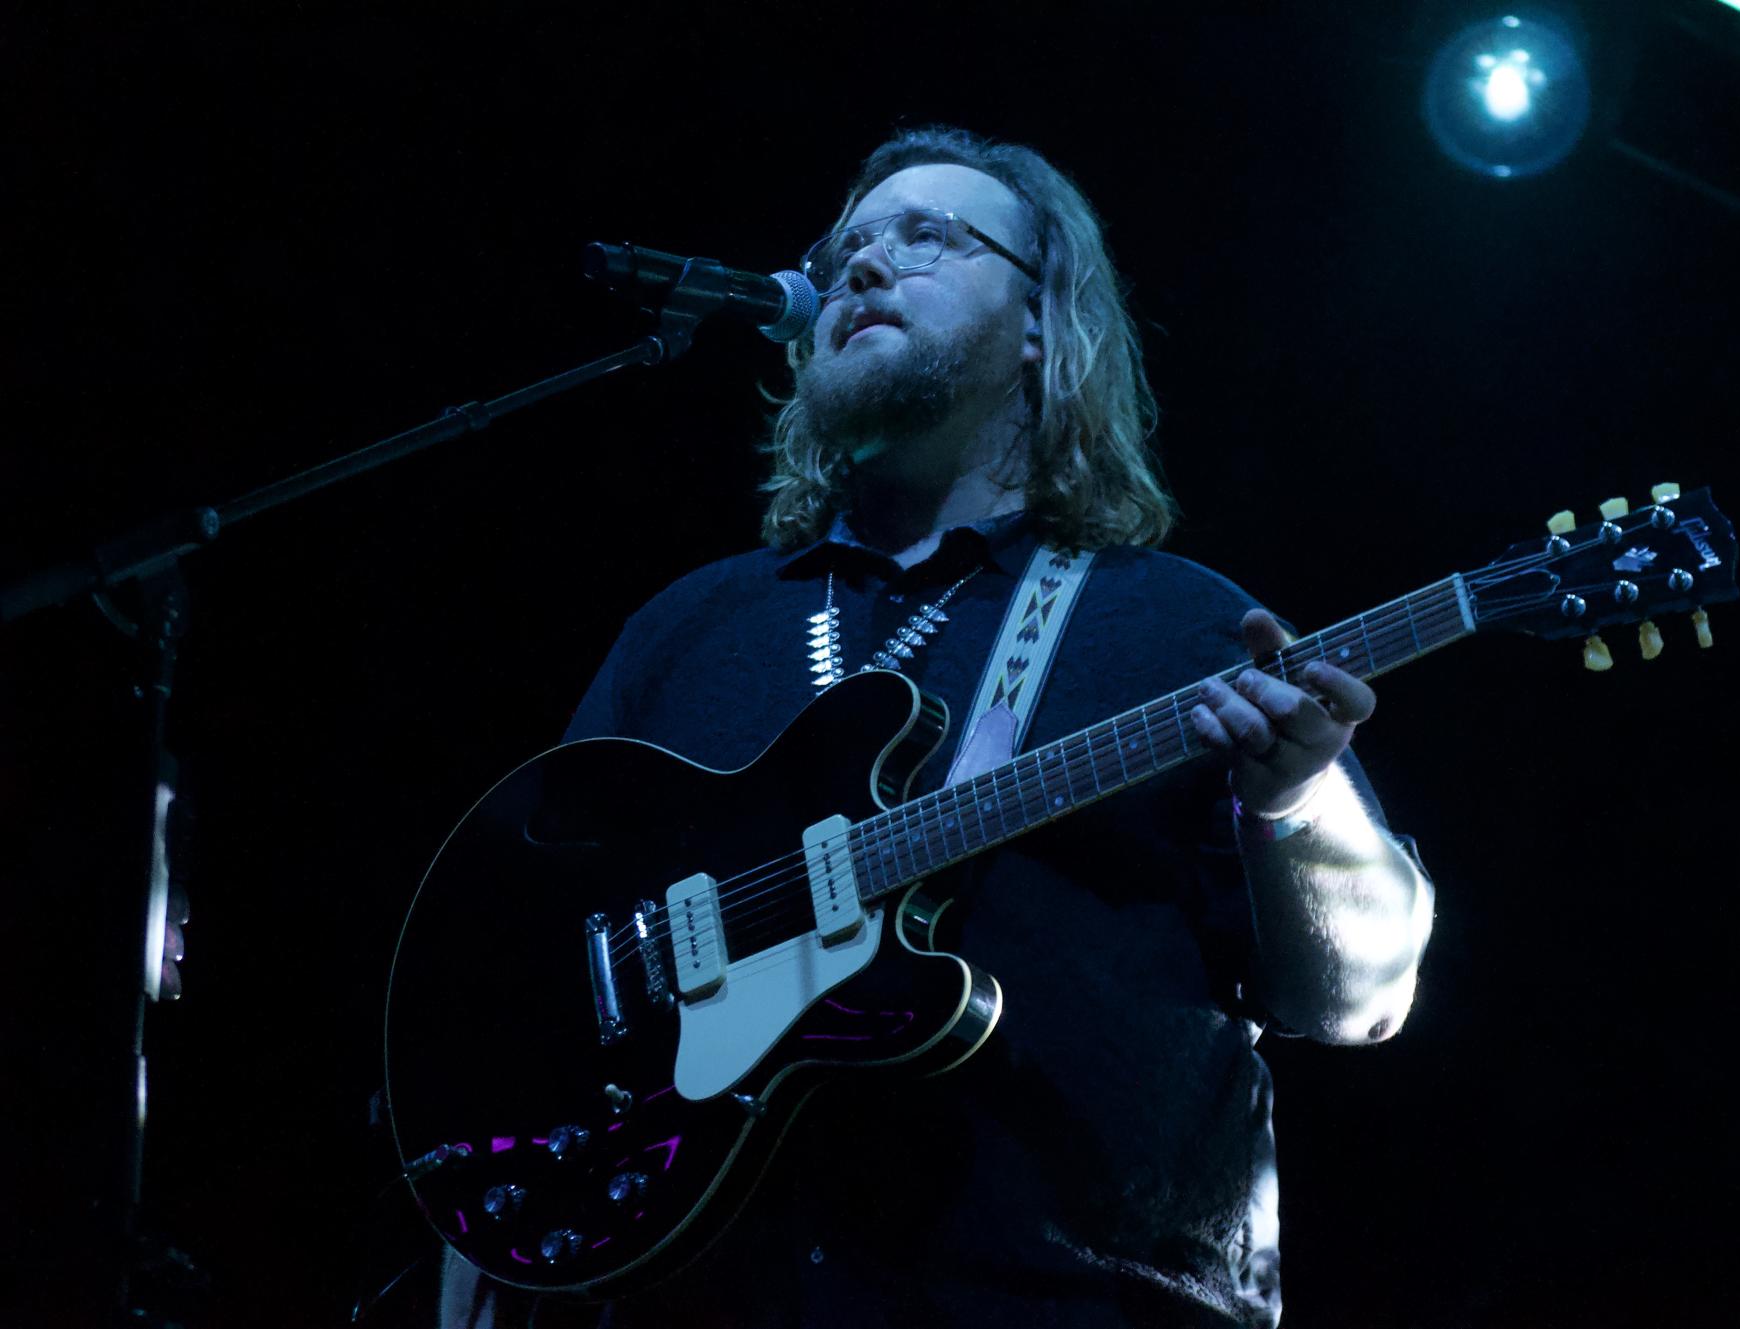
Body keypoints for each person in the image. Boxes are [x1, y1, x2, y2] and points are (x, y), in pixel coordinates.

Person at [439, 125, 1434, 1329]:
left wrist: (1299, 800)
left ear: (1040, 326)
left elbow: (1360, 998)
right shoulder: (690, 626)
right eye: (847, 244)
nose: (863, 263)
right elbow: (515, 945)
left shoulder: (1182, 623)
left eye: (926, 236)